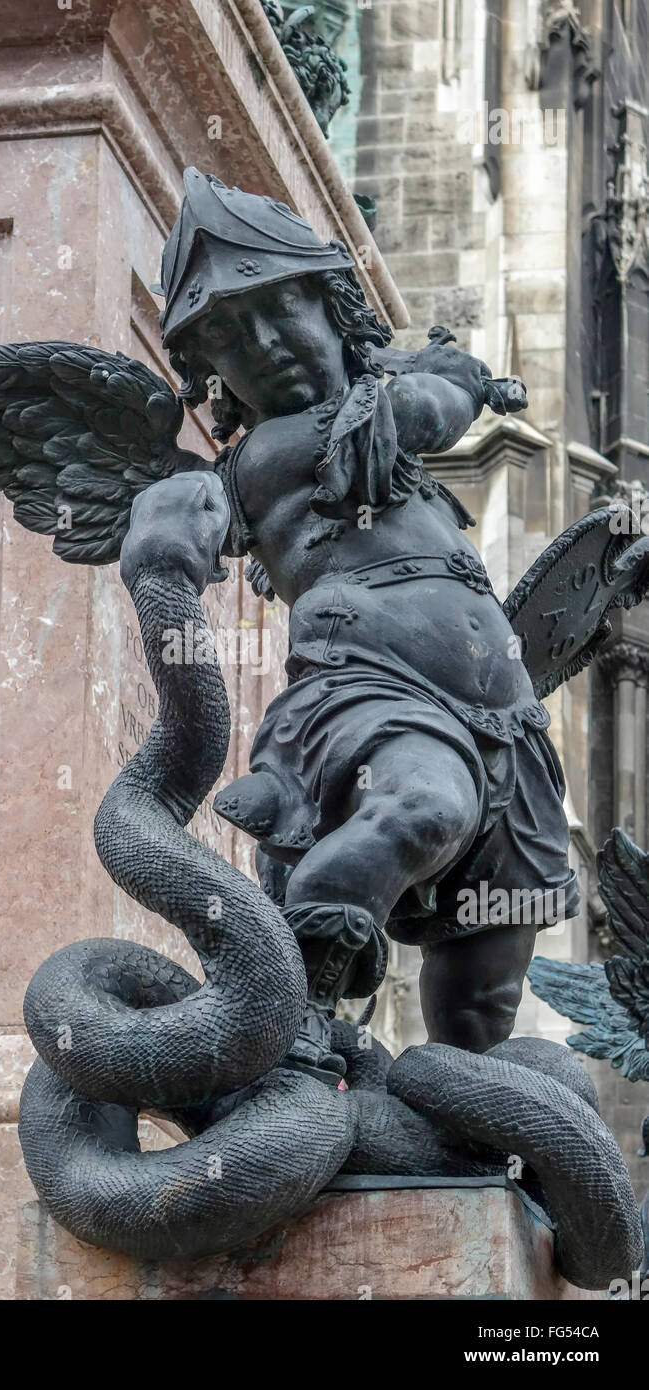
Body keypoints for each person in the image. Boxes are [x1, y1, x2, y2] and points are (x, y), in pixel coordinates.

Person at [155, 170, 577, 1079]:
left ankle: (459, 1139)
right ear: (211, 377)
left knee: (484, 993)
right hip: (371, 699)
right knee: (420, 807)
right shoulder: (273, 452)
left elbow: (426, 403)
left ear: (332, 302)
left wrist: (415, 383)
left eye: (278, 311)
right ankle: (288, 1029)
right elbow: (435, 405)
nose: (263, 346)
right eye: (227, 338)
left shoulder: (373, 414)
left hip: (503, 717)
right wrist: (438, 378)